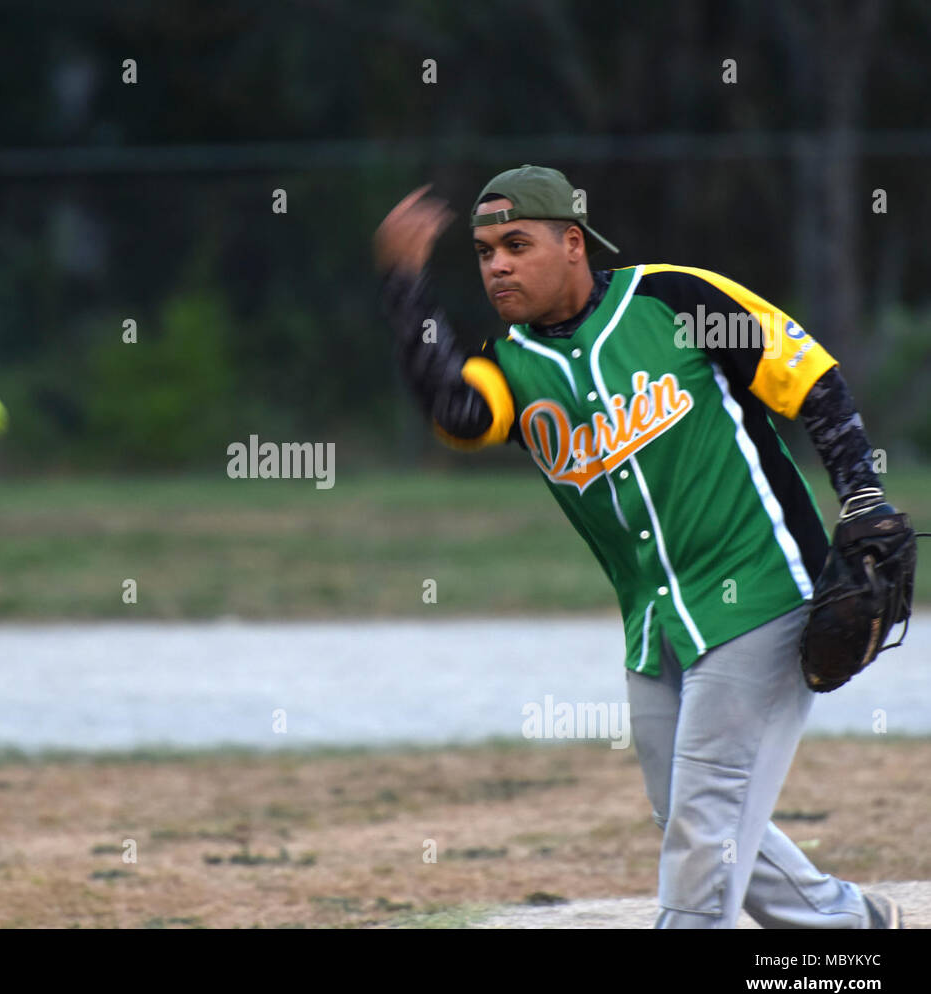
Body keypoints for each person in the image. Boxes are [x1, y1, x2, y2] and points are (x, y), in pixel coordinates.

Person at [375, 164, 908, 929]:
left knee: (702, 832)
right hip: (653, 620)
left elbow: (809, 378)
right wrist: (404, 285)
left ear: (571, 242)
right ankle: (849, 928)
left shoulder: (672, 299)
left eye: (517, 244)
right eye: (486, 251)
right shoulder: (512, 365)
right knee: (688, 814)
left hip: (759, 593)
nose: (497, 265)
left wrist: (860, 492)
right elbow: (456, 411)